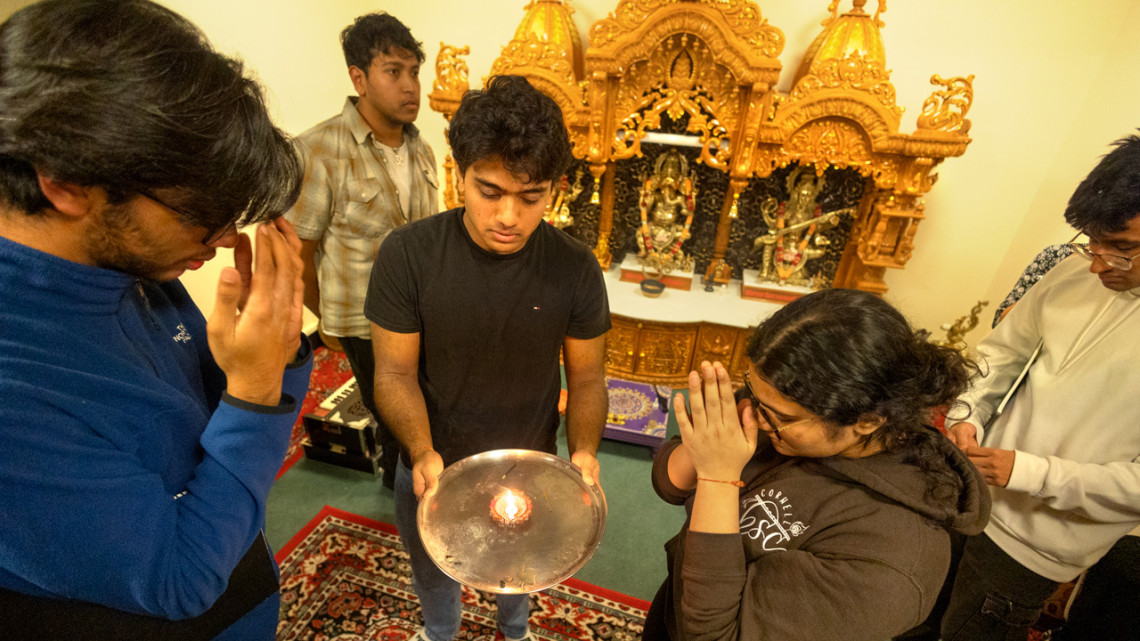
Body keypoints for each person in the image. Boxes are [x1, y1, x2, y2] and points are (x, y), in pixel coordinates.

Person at [0, 1, 310, 640]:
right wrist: (256, 391)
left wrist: (274, 350)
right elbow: (179, 578)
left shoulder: (134, 270)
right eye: (201, 213)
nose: (224, 239)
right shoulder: (16, 386)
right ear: (65, 182)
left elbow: (212, 430)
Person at [366, 74, 610, 641]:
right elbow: (395, 373)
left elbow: (589, 377)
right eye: (489, 191)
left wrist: (586, 451)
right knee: (435, 570)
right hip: (433, 462)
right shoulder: (408, 255)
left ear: (556, 189)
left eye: (531, 197)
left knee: (522, 568)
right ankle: (441, 633)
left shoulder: (573, 267)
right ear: (458, 176)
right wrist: (422, 450)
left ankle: (516, 630)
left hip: (530, 463)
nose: (508, 217)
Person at [642, 288, 990, 641]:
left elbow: (714, 637)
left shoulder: (889, 562)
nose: (759, 417)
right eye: (753, 391)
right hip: (678, 604)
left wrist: (718, 477)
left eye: (779, 416)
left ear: (868, 420)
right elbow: (670, 482)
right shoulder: (782, 406)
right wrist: (706, 442)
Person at [939, 133, 1140, 641]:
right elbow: (1000, 357)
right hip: (968, 495)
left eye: (1120, 250)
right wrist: (966, 416)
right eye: (1091, 244)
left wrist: (1029, 472)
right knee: (911, 616)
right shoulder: (1073, 274)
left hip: (1038, 545)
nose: (1096, 265)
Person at [285, 12, 438, 489]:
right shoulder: (318, 149)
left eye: (414, 71)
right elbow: (297, 252)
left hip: (424, 315)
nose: (410, 86)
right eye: (393, 72)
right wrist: (328, 321)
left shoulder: (422, 149)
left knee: (428, 409)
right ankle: (407, 509)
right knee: (395, 423)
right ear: (359, 78)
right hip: (363, 324)